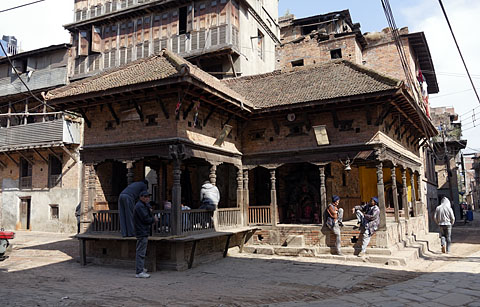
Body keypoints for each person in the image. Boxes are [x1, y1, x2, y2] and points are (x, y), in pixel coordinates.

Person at [133, 191, 158, 278]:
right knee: (141, 251)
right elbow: (145, 219)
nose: (147, 198)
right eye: (145, 197)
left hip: (143, 230)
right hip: (141, 231)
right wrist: (153, 219)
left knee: (141, 251)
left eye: (148, 197)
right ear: (141, 197)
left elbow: (148, 211)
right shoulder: (139, 206)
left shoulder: (144, 205)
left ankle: (140, 268)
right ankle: (139, 271)